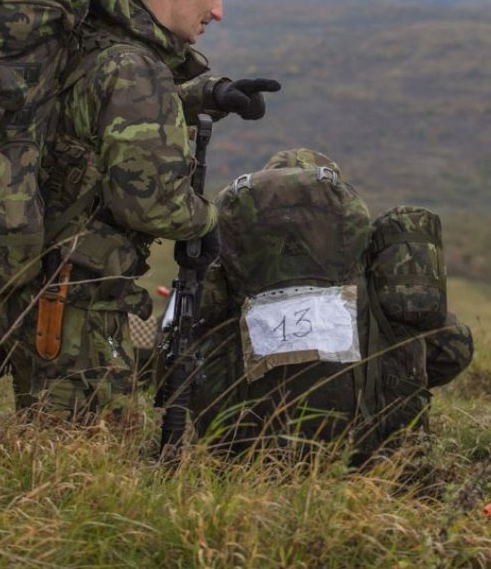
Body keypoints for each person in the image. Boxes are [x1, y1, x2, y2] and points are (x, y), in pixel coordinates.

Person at [0, 0, 281, 423]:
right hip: (75, 295)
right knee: (87, 446)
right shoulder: (133, 65)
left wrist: (209, 95)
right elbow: (151, 202)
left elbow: (105, 116)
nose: (218, 13)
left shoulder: (104, 39)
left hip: (53, 280)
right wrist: (208, 223)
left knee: (64, 438)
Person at [186, 148, 474, 464]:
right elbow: (454, 350)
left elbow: (185, 355)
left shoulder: (227, 268)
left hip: (244, 451)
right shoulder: (371, 265)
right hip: (373, 453)